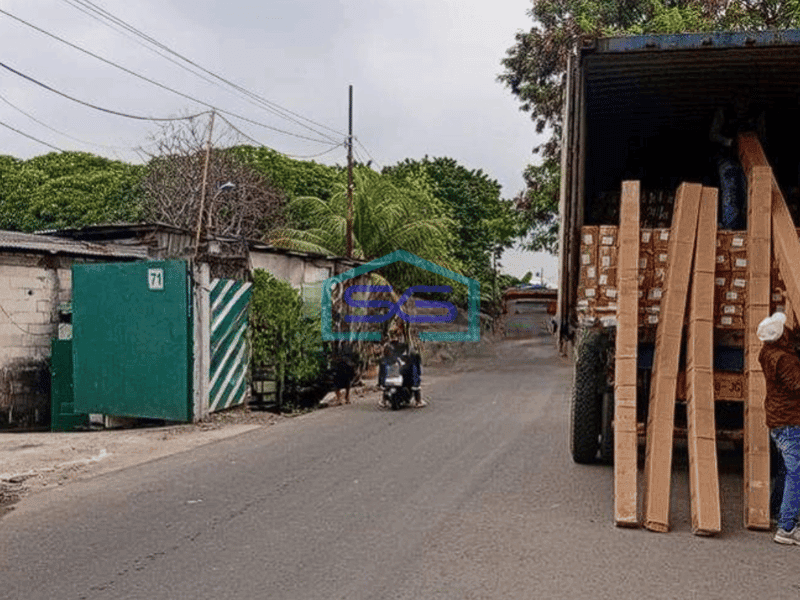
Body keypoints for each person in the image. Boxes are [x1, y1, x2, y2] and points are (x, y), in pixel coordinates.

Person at [758, 311, 800, 544]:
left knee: (786, 469)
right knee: (796, 473)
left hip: (779, 420)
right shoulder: (785, 360)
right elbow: (797, 385)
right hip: (791, 421)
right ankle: (786, 527)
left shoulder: (768, 352)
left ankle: (778, 510)